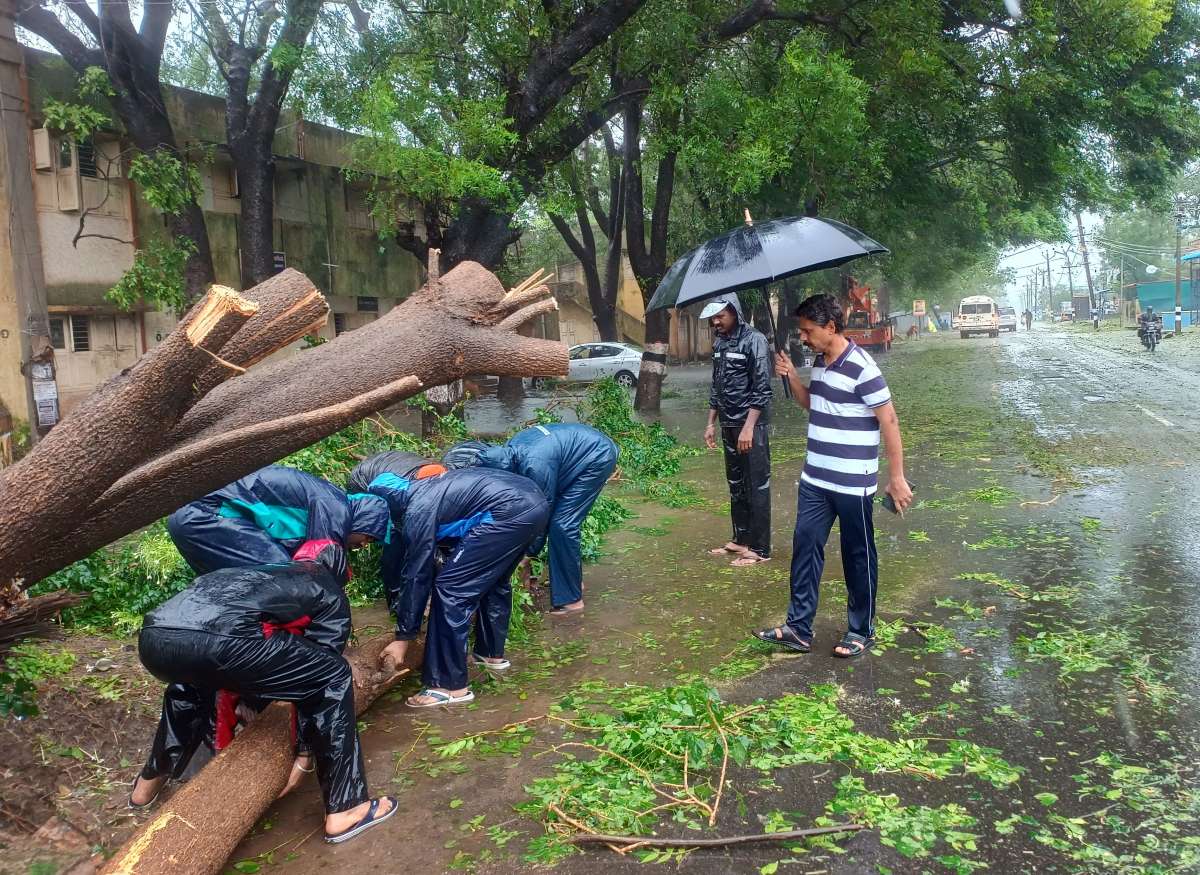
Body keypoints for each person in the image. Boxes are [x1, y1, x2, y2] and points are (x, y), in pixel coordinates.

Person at [129, 556, 397, 844]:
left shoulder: (254, 572)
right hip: (222, 641)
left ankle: (146, 787)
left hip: (154, 640)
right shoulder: (327, 588)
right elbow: (317, 679)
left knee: (191, 685)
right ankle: (347, 809)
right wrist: (305, 755)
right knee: (334, 674)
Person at [757, 293, 912, 658]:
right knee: (805, 548)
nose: (804, 337)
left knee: (857, 554)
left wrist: (897, 477)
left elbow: (888, 420)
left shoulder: (862, 367)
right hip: (815, 479)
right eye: (802, 331)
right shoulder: (819, 360)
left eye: (809, 331)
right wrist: (793, 377)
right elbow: (814, 404)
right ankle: (798, 628)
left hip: (852, 482)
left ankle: (861, 629)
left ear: (831, 326)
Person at [372, 468, 549, 708]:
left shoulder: (417, 510)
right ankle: (490, 654)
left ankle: (448, 686)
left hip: (507, 510)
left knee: (450, 589)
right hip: (534, 502)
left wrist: (404, 637)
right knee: (493, 580)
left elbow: (417, 575)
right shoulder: (427, 487)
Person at [441, 424, 619, 616]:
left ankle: (572, 602)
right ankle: (572, 581)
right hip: (566, 457)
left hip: (597, 455)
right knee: (550, 520)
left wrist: (525, 557)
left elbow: (540, 515)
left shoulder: (533, 465)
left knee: (562, 525)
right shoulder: (507, 454)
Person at [167, 465, 390, 575]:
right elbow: (320, 569)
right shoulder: (336, 507)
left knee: (234, 591)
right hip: (207, 514)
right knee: (285, 579)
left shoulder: (328, 500)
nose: (362, 545)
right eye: (369, 537)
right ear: (365, 520)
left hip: (189, 517)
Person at [700, 293, 773, 567]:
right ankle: (741, 539)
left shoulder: (755, 340)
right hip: (728, 424)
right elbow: (716, 387)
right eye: (713, 317)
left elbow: (762, 388)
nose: (716, 321)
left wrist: (748, 428)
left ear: (735, 313)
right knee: (736, 485)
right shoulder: (719, 343)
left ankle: (761, 549)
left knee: (758, 485)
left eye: (720, 316)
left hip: (751, 427)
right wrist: (710, 422)